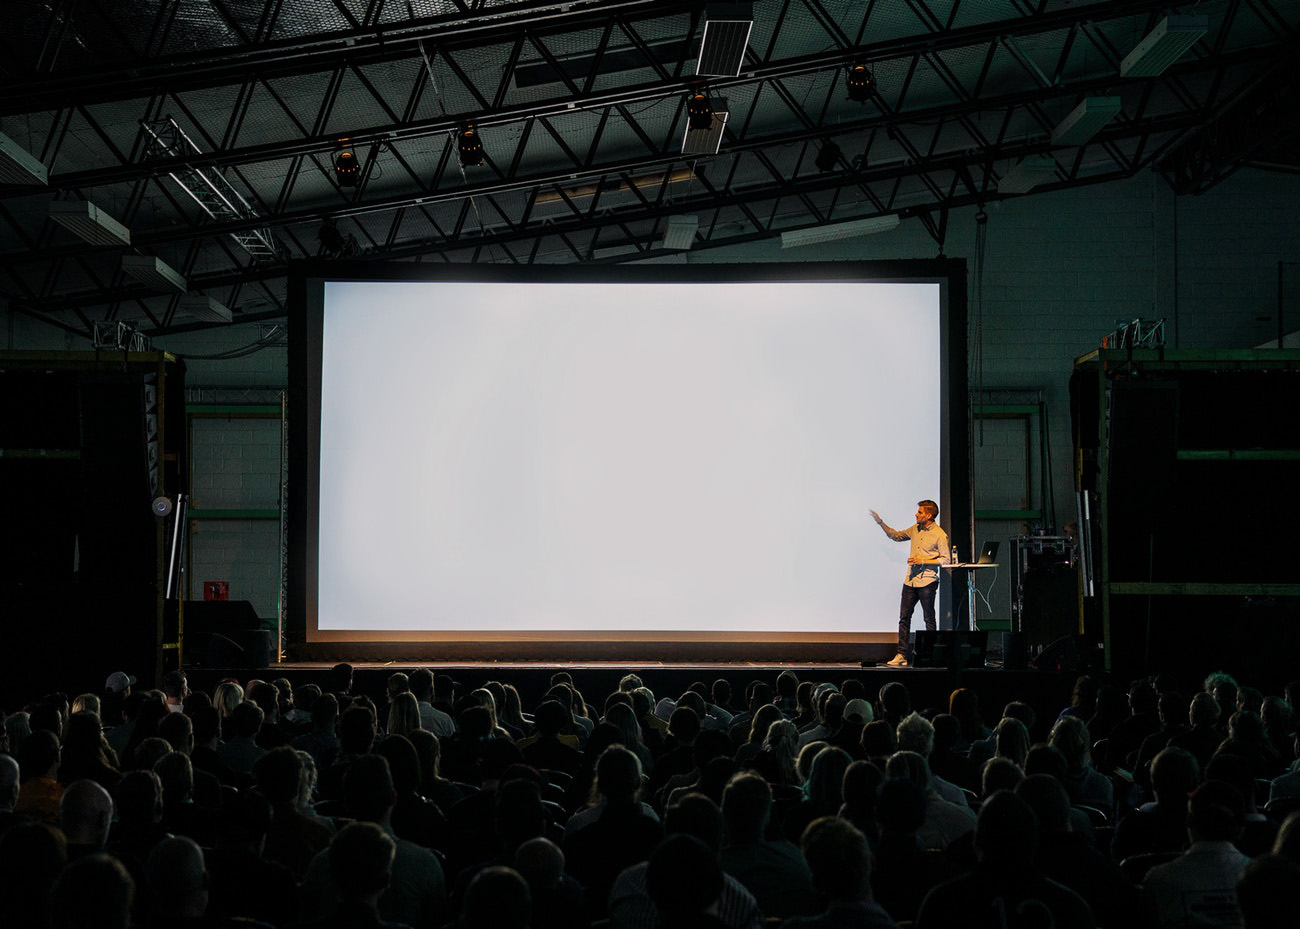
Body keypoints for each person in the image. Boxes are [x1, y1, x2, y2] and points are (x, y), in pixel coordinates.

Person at [870, 500, 950, 667]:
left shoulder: (940, 534)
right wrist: (880, 522)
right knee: (904, 618)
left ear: (929, 515)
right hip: (910, 581)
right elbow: (896, 536)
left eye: (920, 512)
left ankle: (929, 655)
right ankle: (901, 655)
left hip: (927, 581)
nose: (916, 514)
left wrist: (922, 561)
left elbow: (945, 560)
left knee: (929, 619)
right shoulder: (915, 529)